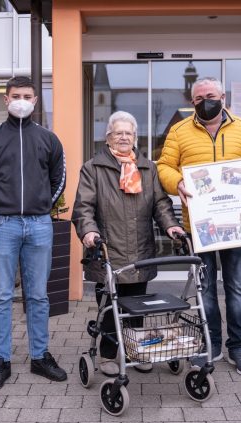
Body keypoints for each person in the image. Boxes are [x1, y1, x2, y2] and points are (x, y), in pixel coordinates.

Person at [157, 77, 241, 376]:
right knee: (205, 288)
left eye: (210, 96)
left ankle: (238, 347)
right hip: (200, 223)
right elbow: (164, 165)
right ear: (192, 101)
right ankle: (211, 343)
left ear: (222, 97)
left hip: (236, 223)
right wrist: (177, 182)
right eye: (198, 98)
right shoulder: (179, 130)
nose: (205, 101)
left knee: (236, 288)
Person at [0, 76, 67, 391]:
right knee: (1, 296)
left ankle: (40, 356)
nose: (21, 101)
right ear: (6, 99)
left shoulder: (49, 139)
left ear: (35, 100)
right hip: (2, 225)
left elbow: (59, 179)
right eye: (16, 96)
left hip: (39, 224)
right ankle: (2, 360)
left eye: (27, 96)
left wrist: (41, 208)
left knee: (38, 295)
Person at [71, 111, 185, 376]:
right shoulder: (93, 168)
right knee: (110, 309)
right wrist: (88, 231)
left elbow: (160, 203)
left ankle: (136, 349)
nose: (123, 137)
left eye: (128, 133)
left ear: (135, 137)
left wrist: (171, 225)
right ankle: (108, 355)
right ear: (108, 137)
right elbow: (83, 207)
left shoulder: (147, 168)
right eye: (118, 133)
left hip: (140, 250)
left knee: (137, 307)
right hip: (107, 250)